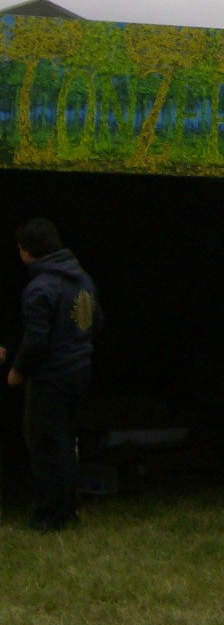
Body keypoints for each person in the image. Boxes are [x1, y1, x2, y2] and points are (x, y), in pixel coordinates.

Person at [0, 217, 103, 531]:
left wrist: (17, 369)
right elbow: (96, 323)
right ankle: (67, 509)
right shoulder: (82, 279)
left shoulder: (40, 286)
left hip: (50, 376)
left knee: (46, 444)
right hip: (79, 369)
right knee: (66, 442)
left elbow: (36, 337)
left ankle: (49, 516)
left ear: (27, 251)